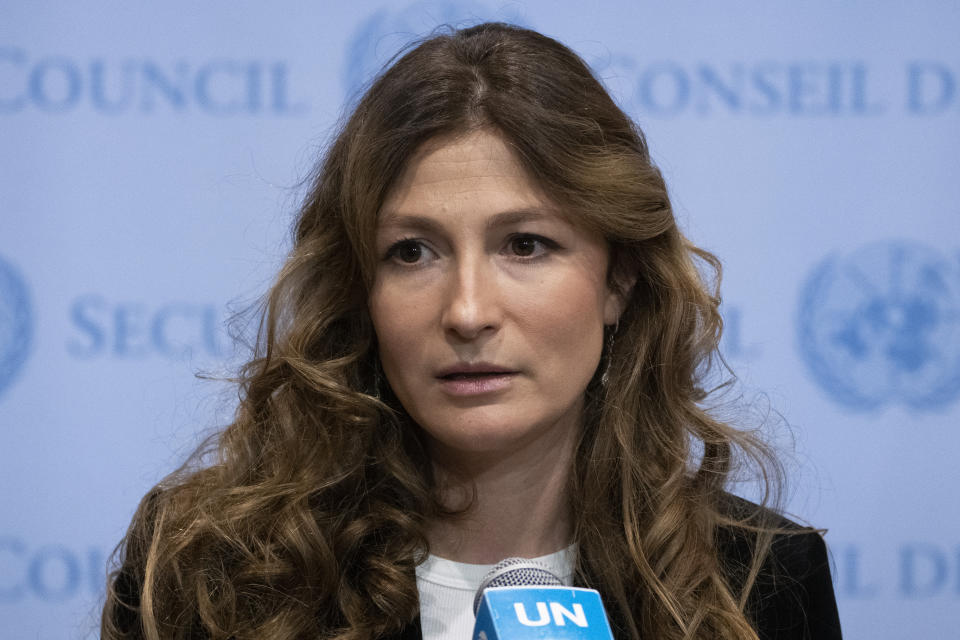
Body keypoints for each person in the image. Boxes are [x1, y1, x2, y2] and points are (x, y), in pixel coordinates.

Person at [101, 22, 841, 640]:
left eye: (525, 244)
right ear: (361, 289)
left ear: (619, 281)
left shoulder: (761, 580)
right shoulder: (210, 569)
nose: (466, 311)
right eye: (412, 252)